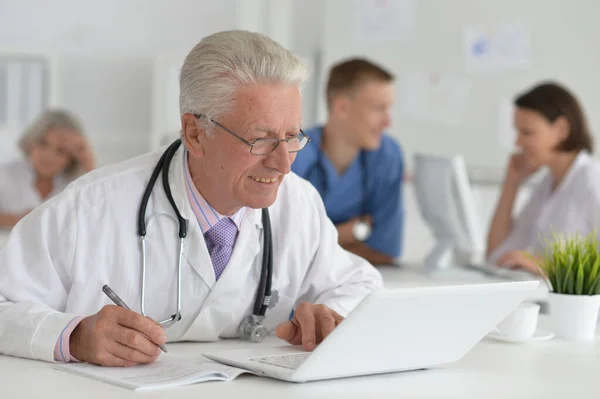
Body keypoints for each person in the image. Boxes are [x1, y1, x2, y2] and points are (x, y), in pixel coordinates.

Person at [0, 30, 382, 367]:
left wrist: (332, 314)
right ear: (195, 134)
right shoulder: (88, 208)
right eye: (261, 139)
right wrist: (73, 335)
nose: (283, 163)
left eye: (292, 137)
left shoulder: (298, 203)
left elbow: (360, 284)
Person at [291, 58, 404, 266]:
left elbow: (385, 253)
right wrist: (344, 235)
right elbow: (280, 248)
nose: (388, 122)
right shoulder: (294, 152)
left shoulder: (387, 156)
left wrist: (317, 241)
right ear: (342, 107)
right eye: (379, 109)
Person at [487, 82, 600, 274]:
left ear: (562, 130)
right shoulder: (547, 185)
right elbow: (497, 254)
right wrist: (511, 184)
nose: (517, 142)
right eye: (517, 131)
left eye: (527, 132)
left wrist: (547, 265)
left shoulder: (592, 181)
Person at [0, 109, 95, 228]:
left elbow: (95, 217)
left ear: (71, 158)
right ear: (31, 142)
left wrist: (88, 161)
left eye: (61, 150)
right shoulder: (5, 174)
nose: (48, 155)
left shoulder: (75, 184)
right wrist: (19, 219)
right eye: (43, 143)